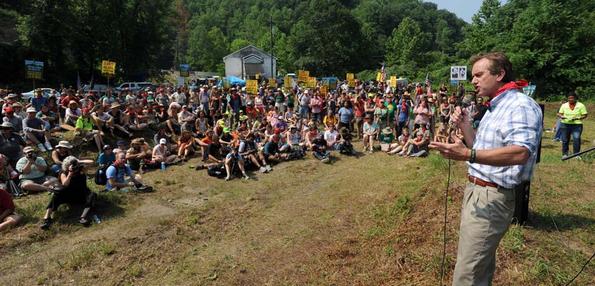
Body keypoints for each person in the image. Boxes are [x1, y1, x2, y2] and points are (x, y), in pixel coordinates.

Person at [430, 52, 542, 285]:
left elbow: (521, 152)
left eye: (479, 75)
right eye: (472, 76)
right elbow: (480, 147)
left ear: (500, 74)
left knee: (467, 273)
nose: (473, 81)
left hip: (492, 195)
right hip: (478, 191)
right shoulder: (494, 107)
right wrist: (466, 126)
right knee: (478, 266)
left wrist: (468, 154)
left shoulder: (519, 105)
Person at [40, 156, 97, 229]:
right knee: (56, 195)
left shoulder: (81, 169)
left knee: (92, 195)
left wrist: (78, 161)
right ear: (66, 166)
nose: (74, 167)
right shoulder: (63, 173)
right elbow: (65, 184)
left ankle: (83, 217)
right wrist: (70, 174)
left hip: (82, 193)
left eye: (74, 165)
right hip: (68, 194)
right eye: (71, 165)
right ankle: (47, 218)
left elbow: (92, 162)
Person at [557, 91, 588, 158]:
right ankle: (565, 154)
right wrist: (562, 116)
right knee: (565, 140)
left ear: (575, 98)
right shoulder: (564, 105)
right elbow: (559, 113)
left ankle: (576, 155)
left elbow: (585, 115)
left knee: (576, 138)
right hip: (565, 124)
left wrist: (578, 118)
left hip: (577, 125)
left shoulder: (581, 105)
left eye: (572, 98)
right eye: (569, 98)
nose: (570, 99)